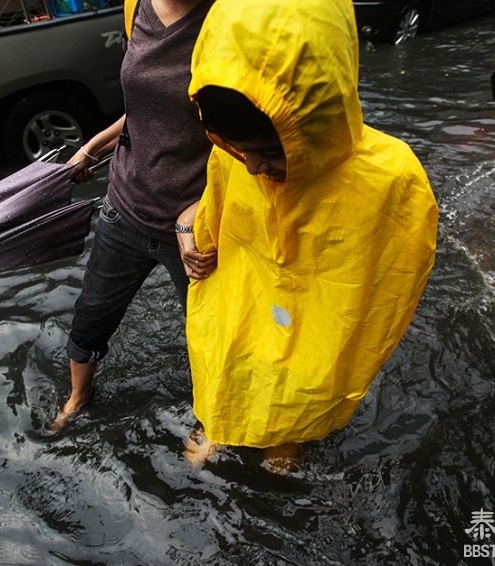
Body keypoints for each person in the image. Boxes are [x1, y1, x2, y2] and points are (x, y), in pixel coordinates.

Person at [175, 0, 438, 469]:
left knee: (305, 386)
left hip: (320, 326)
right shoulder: (232, 157)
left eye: (268, 151)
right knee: (227, 357)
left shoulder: (391, 179)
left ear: (315, 127)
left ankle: (288, 437)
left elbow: (387, 295)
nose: (253, 167)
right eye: (238, 150)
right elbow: (211, 214)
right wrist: (191, 236)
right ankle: (220, 422)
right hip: (243, 302)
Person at [48, 0, 217, 431]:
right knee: (91, 315)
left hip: (196, 228)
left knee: (214, 337)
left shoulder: (228, 16)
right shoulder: (136, 8)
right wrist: (90, 149)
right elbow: (141, 109)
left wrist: (191, 216)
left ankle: (215, 419)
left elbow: (247, 136)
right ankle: (78, 396)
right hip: (125, 206)